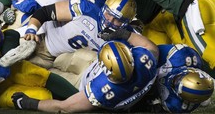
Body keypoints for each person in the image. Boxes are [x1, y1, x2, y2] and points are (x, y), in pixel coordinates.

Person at [1, 0, 158, 71]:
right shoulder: (89, 5)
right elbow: (45, 13)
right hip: (43, 42)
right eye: (109, 14)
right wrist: (32, 30)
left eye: (117, 20)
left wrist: (125, 35)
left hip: (63, 62)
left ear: (126, 24)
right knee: (9, 55)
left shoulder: (126, 34)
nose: (110, 20)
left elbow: (152, 50)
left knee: (92, 62)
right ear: (104, 7)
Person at [10, 40, 158, 112]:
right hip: (92, 64)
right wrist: (126, 35)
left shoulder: (102, 91)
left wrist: (29, 103)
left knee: (48, 71)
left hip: (82, 84)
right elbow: (153, 48)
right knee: (59, 60)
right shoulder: (145, 61)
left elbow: (64, 108)